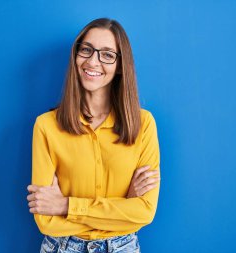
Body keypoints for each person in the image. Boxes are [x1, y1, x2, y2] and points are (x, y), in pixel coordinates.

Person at [26, 18, 161, 253]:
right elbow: (46, 220)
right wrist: (122, 206)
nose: (93, 61)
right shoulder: (46, 126)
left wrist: (66, 205)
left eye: (107, 54)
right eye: (86, 50)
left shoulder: (144, 124)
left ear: (120, 65)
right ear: (76, 55)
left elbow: (144, 212)